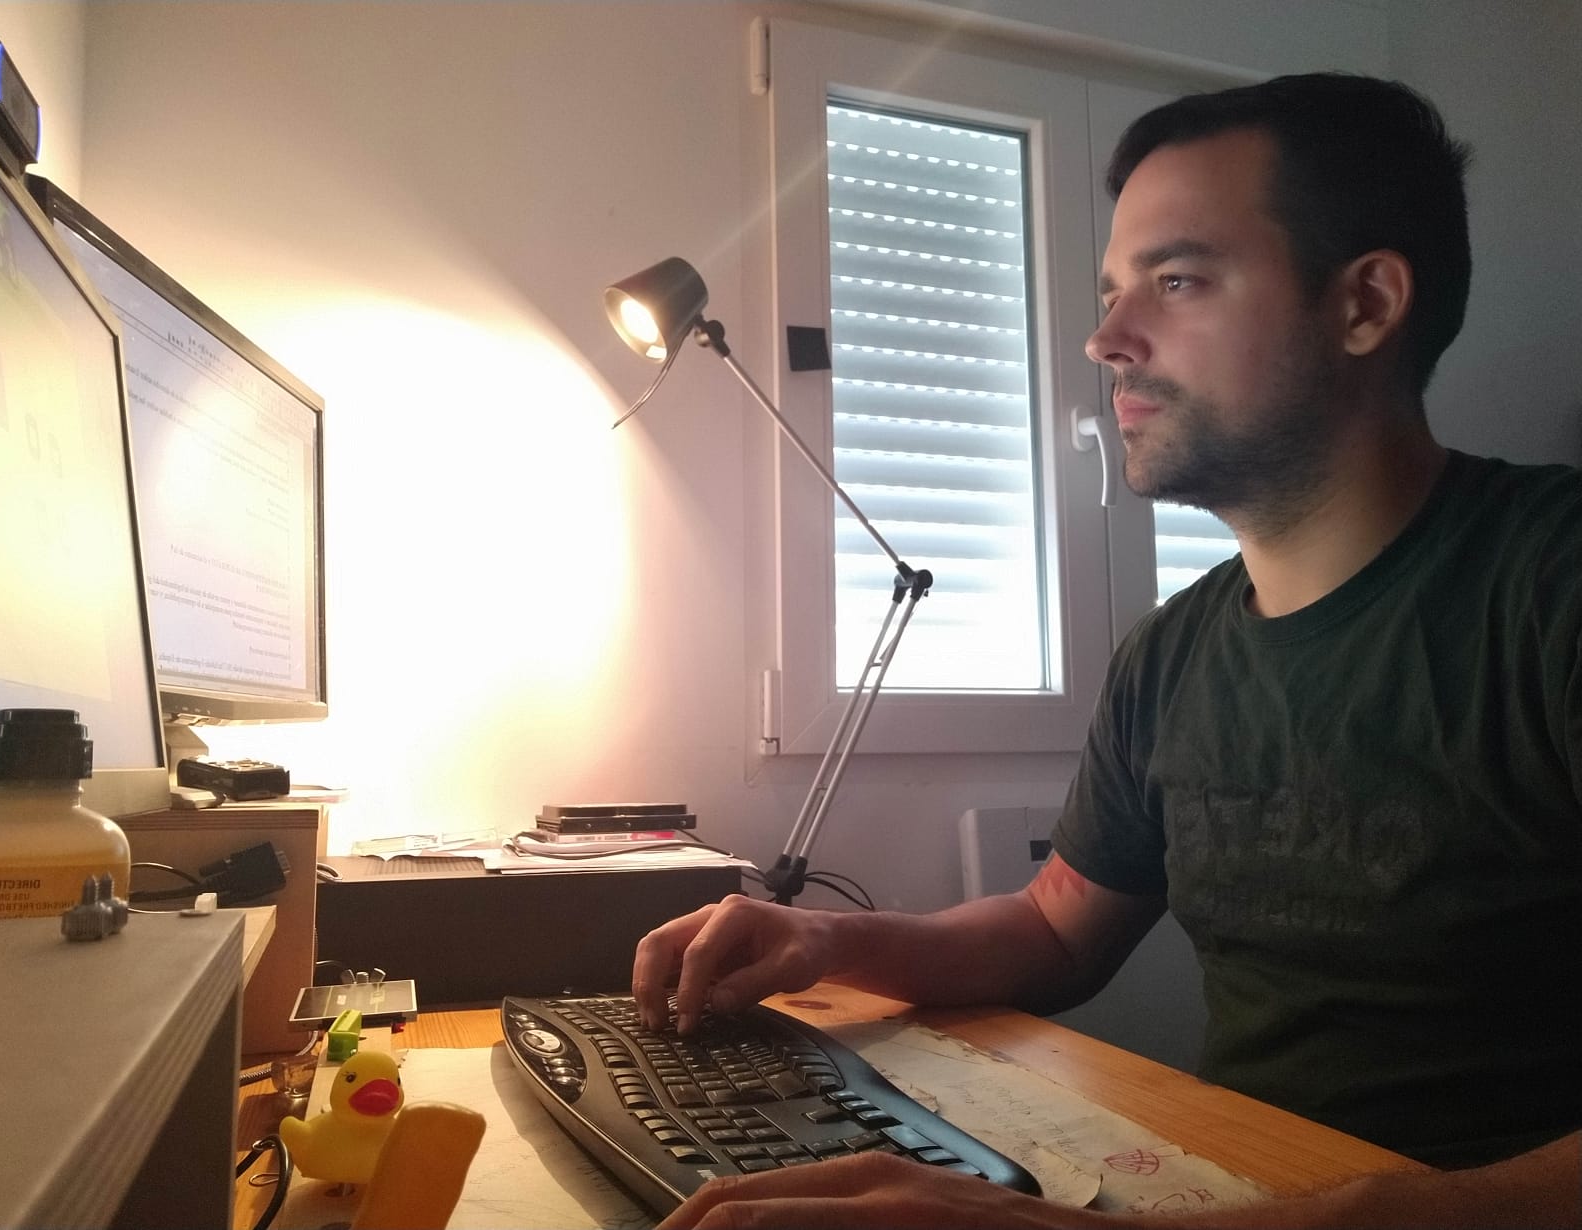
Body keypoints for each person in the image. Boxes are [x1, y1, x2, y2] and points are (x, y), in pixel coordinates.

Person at [632, 72, 1581, 1229]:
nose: (1103, 339)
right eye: (1108, 291)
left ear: (1363, 304)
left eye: (1175, 281)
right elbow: (1051, 931)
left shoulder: (1549, 587)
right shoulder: (1171, 655)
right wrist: (820, 938)